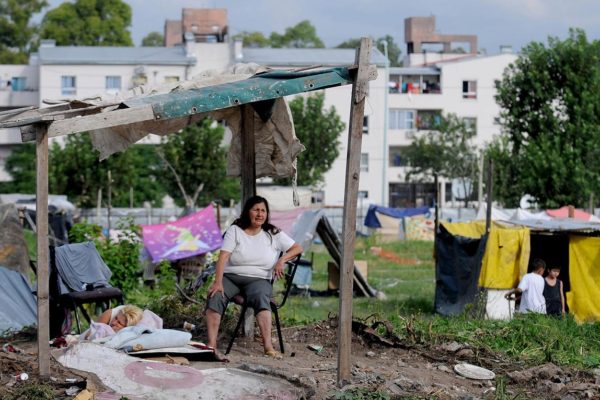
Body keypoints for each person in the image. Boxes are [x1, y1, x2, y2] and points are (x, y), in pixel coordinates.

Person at [205, 195, 303, 360]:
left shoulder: (273, 232)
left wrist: (281, 260)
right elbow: (223, 257)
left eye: (263, 210)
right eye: (256, 210)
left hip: (259, 278)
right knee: (215, 296)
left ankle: (268, 347)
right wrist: (218, 282)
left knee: (260, 297)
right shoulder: (235, 230)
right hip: (232, 276)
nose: (260, 214)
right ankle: (211, 346)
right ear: (247, 212)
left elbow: (297, 248)